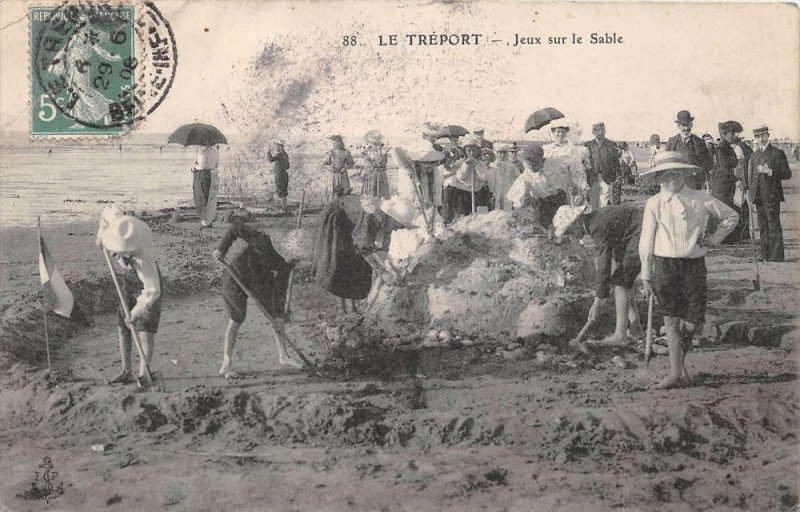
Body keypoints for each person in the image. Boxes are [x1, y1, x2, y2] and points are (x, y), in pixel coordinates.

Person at [639, 152, 738, 389]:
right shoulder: (654, 203)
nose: (672, 178)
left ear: (685, 173)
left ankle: (679, 366)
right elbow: (646, 241)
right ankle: (675, 373)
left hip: (693, 265)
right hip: (665, 266)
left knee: (693, 323)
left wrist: (714, 239)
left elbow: (731, 216)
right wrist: (646, 274)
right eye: (666, 174)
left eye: (677, 173)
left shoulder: (700, 198)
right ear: (658, 178)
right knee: (671, 320)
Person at [213, 223, 303, 377]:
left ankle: (284, 356)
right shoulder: (263, 241)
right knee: (236, 318)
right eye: (293, 256)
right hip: (236, 277)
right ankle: (226, 362)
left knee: (278, 318)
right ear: (286, 248)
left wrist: (278, 314)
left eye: (297, 259)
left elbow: (280, 291)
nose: (294, 261)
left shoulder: (287, 265)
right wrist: (222, 249)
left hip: (259, 283)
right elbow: (235, 228)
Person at [553, 204, 644, 347]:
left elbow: (604, 264)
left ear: (577, 221)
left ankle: (621, 335)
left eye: (569, 230)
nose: (570, 236)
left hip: (643, 231)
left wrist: (597, 301)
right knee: (622, 279)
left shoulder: (597, 226)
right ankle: (636, 328)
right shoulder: (595, 221)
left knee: (620, 282)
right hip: (635, 231)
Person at [96, 210, 163, 385]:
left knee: (144, 331)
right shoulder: (121, 224)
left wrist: (135, 312)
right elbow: (107, 212)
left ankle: (143, 374)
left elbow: (153, 291)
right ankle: (126, 371)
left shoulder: (143, 260)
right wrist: (100, 235)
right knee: (122, 326)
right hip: (129, 280)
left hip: (147, 287)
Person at [747, 125, 792, 262]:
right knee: (762, 226)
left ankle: (776, 256)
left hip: (772, 195)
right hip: (758, 196)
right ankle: (765, 254)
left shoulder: (777, 153)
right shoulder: (754, 155)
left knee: (773, 225)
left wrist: (770, 171)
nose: (760, 139)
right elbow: (752, 176)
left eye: (762, 135)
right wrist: (751, 193)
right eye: (757, 136)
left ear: (768, 135)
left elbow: (787, 174)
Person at [441, 138, 491, 221]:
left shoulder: (481, 163)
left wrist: (476, 166)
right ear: (465, 151)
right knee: (463, 218)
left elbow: (483, 178)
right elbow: (460, 177)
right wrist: (466, 165)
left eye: (473, 151)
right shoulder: (459, 163)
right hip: (463, 193)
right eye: (469, 151)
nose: (471, 153)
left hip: (477, 192)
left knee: (477, 217)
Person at [666, 110, 714, 190]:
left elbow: (708, 163)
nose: (686, 128)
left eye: (688, 125)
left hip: (694, 184)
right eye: (683, 125)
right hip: (676, 184)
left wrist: (698, 172)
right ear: (678, 126)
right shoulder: (672, 141)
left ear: (691, 125)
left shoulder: (699, 142)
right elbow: (666, 164)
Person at [710, 123, 740, 242]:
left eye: (734, 133)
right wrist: (736, 180)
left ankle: (723, 237)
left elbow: (732, 163)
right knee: (721, 209)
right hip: (721, 184)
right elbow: (724, 167)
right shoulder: (722, 148)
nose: (734, 136)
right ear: (724, 134)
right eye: (731, 133)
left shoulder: (727, 147)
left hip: (725, 183)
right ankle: (718, 237)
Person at [584, 122, 620, 209]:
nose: (600, 132)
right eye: (597, 130)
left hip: (607, 177)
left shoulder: (611, 144)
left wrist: (618, 176)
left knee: (605, 203)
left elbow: (616, 161)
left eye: (602, 129)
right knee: (593, 203)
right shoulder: (588, 145)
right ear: (593, 132)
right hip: (592, 178)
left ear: (605, 131)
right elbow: (584, 161)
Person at [192, 145, 220, 228]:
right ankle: (208, 220)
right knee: (210, 198)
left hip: (202, 174)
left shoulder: (201, 152)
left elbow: (200, 165)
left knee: (201, 197)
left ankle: (205, 221)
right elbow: (216, 164)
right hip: (212, 174)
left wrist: (195, 166)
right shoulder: (215, 151)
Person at [360, 130, 391, 199]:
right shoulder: (367, 151)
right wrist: (372, 165)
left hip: (381, 173)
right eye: (374, 140)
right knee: (371, 191)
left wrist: (381, 160)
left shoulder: (383, 150)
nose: (376, 142)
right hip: (372, 173)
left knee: (382, 192)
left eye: (377, 140)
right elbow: (366, 162)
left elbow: (385, 161)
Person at [493, 143, 521, 212]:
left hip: (507, 190)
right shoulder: (493, 165)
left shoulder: (511, 166)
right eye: (500, 153)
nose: (502, 155)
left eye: (504, 153)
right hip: (496, 190)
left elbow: (519, 177)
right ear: (497, 153)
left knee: (507, 209)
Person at [267, 139, 290, 214]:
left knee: (281, 191)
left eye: (277, 145)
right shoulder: (285, 154)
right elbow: (287, 167)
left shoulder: (280, 154)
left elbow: (270, 159)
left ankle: (284, 209)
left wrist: (268, 152)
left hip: (280, 176)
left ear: (280, 146)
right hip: (284, 175)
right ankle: (285, 208)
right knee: (283, 191)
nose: (276, 147)